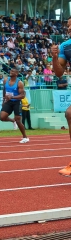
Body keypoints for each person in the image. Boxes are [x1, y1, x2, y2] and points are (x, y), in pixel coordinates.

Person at [51, 31, 71, 175]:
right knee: (70, 114)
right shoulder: (65, 46)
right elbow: (59, 73)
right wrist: (55, 57)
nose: (69, 28)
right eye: (68, 25)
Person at [0, 68, 28, 143]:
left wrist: (12, 97)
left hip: (17, 102)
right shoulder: (6, 80)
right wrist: (3, 100)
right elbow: (4, 90)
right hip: (8, 101)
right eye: (10, 71)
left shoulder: (19, 83)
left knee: (18, 120)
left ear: (16, 73)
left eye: (13, 71)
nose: (11, 72)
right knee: (2, 117)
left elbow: (22, 95)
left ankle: (25, 137)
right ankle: (13, 121)